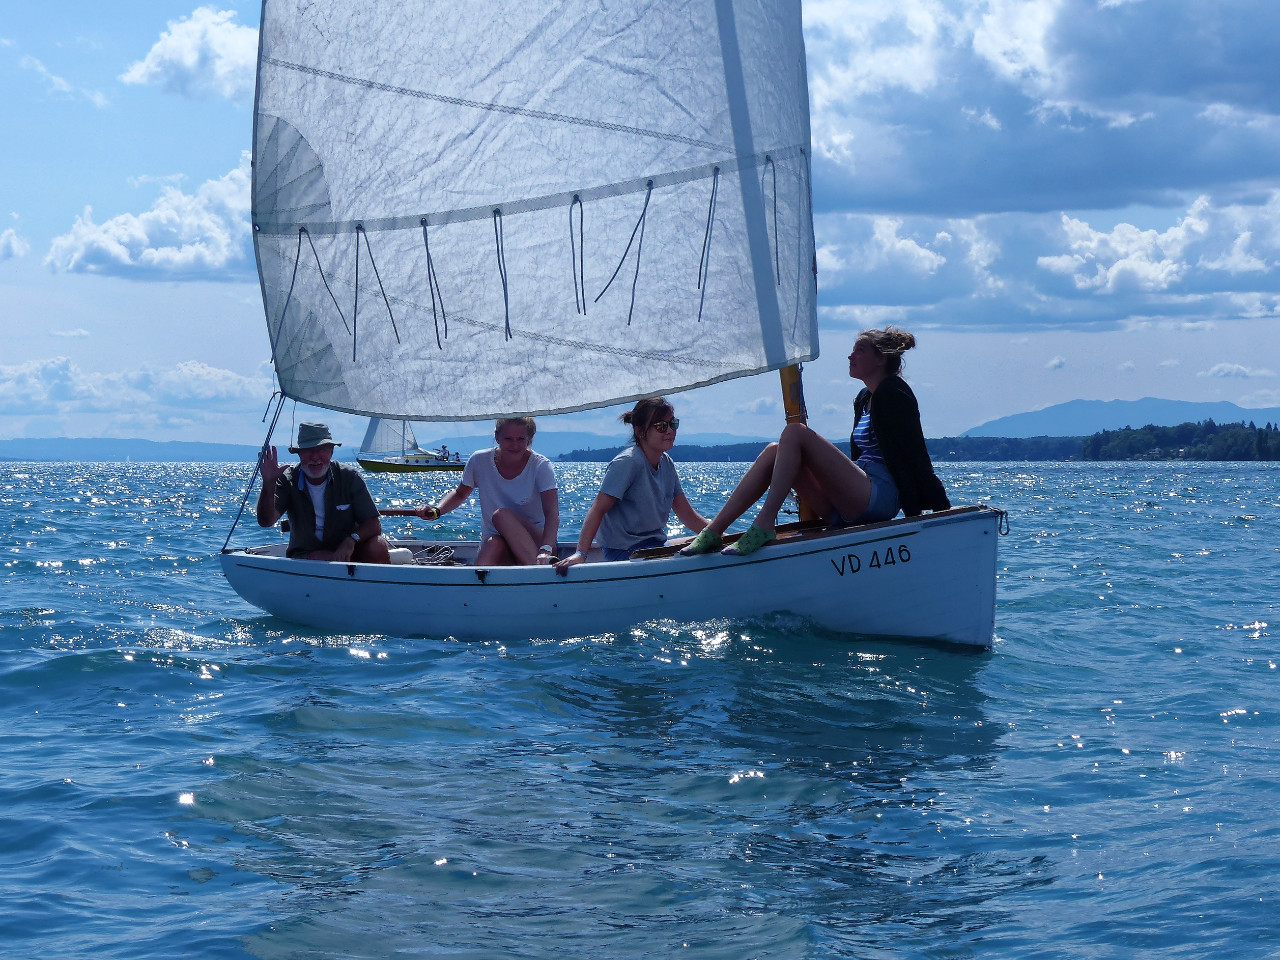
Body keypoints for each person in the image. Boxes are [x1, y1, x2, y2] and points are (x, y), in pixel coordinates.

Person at [680, 326, 950, 557]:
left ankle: (764, 524)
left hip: (879, 497)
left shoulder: (894, 392)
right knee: (775, 451)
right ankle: (713, 531)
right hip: (851, 500)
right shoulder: (864, 399)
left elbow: (914, 452)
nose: (850, 356)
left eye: (859, 351)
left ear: (881, 359)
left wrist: (940, 510)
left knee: (795, 432)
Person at [555, 397, 708, 573]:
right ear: (640, 431)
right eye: (661, 426)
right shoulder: (627, 462)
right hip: (625, 552)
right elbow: (597, 508)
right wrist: (581, 554)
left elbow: (687, 514)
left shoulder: (667, 463)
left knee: (706, 543)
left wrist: (719, 535)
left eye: (673, 424)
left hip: (655, 545)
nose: (670, 431)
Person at [417, 418, 559, 565]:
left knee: (501, 516)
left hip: (540, 546)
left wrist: (546, 549)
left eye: (520, 439)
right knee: (493, 543)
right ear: (497, 437)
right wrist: (435, 511)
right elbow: (460, 494)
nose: (515, 445)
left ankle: (538, 571)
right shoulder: (479, 460)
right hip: (498, 541)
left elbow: (552, 513)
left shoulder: (541, 466)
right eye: (508, 439)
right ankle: (480, 578)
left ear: (529, 439)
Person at [258, 422, 392, 563]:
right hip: (306, 556)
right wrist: (268, 483)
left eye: (321, 450)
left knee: (378, 545)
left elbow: (373, 524)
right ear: (299, 453)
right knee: (319, 558)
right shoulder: (287, 480)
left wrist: (350, 540)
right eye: (308, 450)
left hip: (349, 552)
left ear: (331, 451)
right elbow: (266, 521)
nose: (315, 457)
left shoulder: (350, 477)